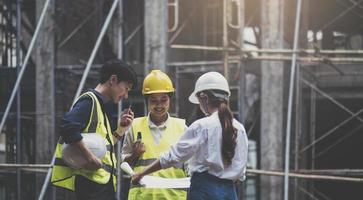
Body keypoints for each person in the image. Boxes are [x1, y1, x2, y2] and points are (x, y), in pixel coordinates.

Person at [132, 71, 248, 200]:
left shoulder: (201, 126)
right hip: (230, 192)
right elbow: (241, 174)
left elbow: (173, 157)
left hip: (204, 190)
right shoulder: (239, 129)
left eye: (199, 100)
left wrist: (142, 173)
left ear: (204, 97)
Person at [51, 59, 137, 200]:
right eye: (126, 88)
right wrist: (89, 157)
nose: (125, 95)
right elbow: (67, 126)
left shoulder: (99, 106)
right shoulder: (89, 101)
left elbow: (103, 147)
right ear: (113, 80)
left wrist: (121, 129)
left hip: (100, 184)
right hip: (92, 185)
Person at [121, 69, 188, 200]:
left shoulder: (182, 128)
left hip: (173, 197)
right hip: (142, 196)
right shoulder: (134, 126)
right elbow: (123, 164)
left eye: (164, 100)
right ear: (147, 101)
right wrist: (134, 155)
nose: (159, 105)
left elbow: (191, 167)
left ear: (170, 100)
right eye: (153, 100)